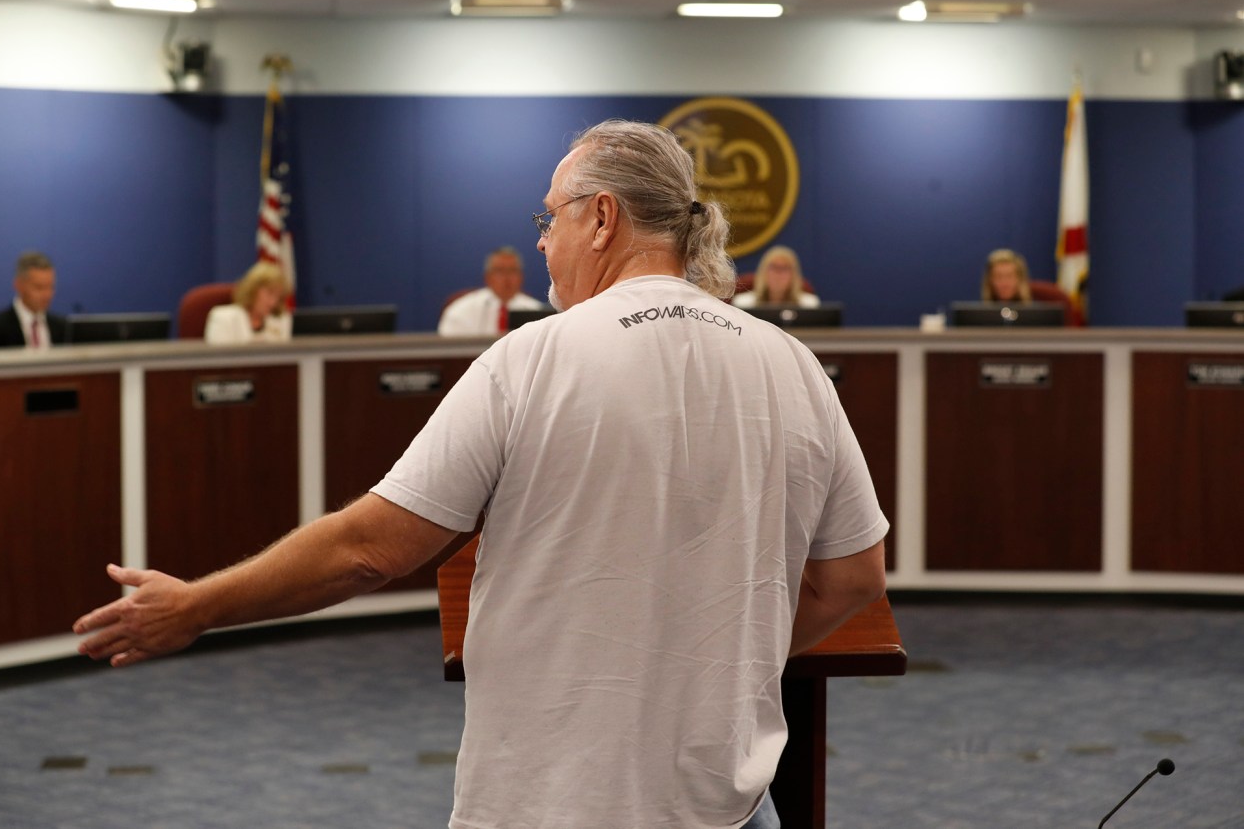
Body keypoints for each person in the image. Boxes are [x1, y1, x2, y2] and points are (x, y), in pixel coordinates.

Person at [74, 120, 888, 829]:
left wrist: (195, 607)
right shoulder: (794, 364)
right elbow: (854, 576)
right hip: (733, 806)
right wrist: (719, 664)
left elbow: (370, 549)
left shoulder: (534, 358)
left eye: (550, 217)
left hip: (549, 805)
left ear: (603, 218)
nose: (541, 241)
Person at [437, 246, 545, 336]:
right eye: (500, 270)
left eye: (513, 270)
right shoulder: (460, 311)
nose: (507, 278)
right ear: (487, 277)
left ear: (521, 277)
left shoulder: (537, 313)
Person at [0, 250, 67, 349]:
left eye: (50, 287)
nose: (47, 294)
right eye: (39, 287)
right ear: (19, 285)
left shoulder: (61, 326)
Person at [203, 261, 292, 344]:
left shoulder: (281, 321)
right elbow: (219, 359)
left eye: (278, 297)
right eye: (270, 293)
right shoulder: (224, 319)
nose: (273, 302)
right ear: (252, 289)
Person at [731, 245, 821, 309]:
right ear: (763, 273)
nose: (778, 273)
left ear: (794, 275)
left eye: (785, 268)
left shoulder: (809, 305)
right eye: (774, 267)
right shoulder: (743, 304)